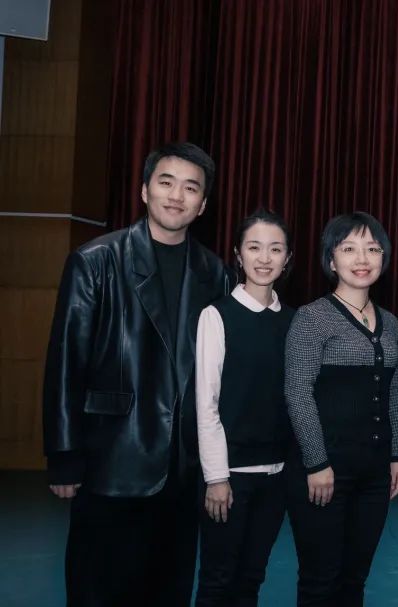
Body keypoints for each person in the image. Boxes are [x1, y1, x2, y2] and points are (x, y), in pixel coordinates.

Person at [42, 142, 231, 605]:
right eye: (166, 182)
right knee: (98, 589)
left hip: (182, 469)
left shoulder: (214, 272)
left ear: (203, 204)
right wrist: (63, 454)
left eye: (191, 188)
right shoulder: (96, 261)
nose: (176, 196)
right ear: (145, 190)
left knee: (167, 590)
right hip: (112, 459)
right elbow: (66, 361)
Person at [284, 212, 398, 605]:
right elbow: (297, 392)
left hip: (374, 473)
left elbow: (395, 391)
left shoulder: (390, 323)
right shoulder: (311, 318)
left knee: (355, 579)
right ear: (331, 259)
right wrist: (317, 463)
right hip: (324, 472)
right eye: (349, 248)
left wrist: (397, 455)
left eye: (372, 249)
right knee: (320, 581)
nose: (362, 258)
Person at [194, 209, 296, 605]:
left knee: (252, 579)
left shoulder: (294, 321)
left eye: (275, 249)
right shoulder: (216, 316)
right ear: (238, 254)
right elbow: (206, 403)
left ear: (287, 258)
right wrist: (217, 478)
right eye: (254, 247)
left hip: (277, 476)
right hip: (230, 476)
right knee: (218, 580)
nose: (264, 258)